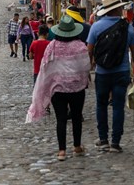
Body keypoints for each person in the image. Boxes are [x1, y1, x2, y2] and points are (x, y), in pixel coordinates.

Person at [26, 16, 91, 161]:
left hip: (58, 89)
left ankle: (62, 151)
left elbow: (45, 66)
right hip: (77, 89)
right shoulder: (80, 45)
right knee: (76, 117)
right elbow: (86, 66)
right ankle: (77, 146)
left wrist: (46, 84)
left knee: (60, 119)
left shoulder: (52, 45)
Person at [87, 0, 134, 153]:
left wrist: (86, 71)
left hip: (102, 73)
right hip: (122, 72)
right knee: (118, 106)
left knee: (101, 105)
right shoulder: (127, 27)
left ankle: (103, 139)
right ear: (117, 9)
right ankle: (115, 143)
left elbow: (89, 51)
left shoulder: (96, 27)